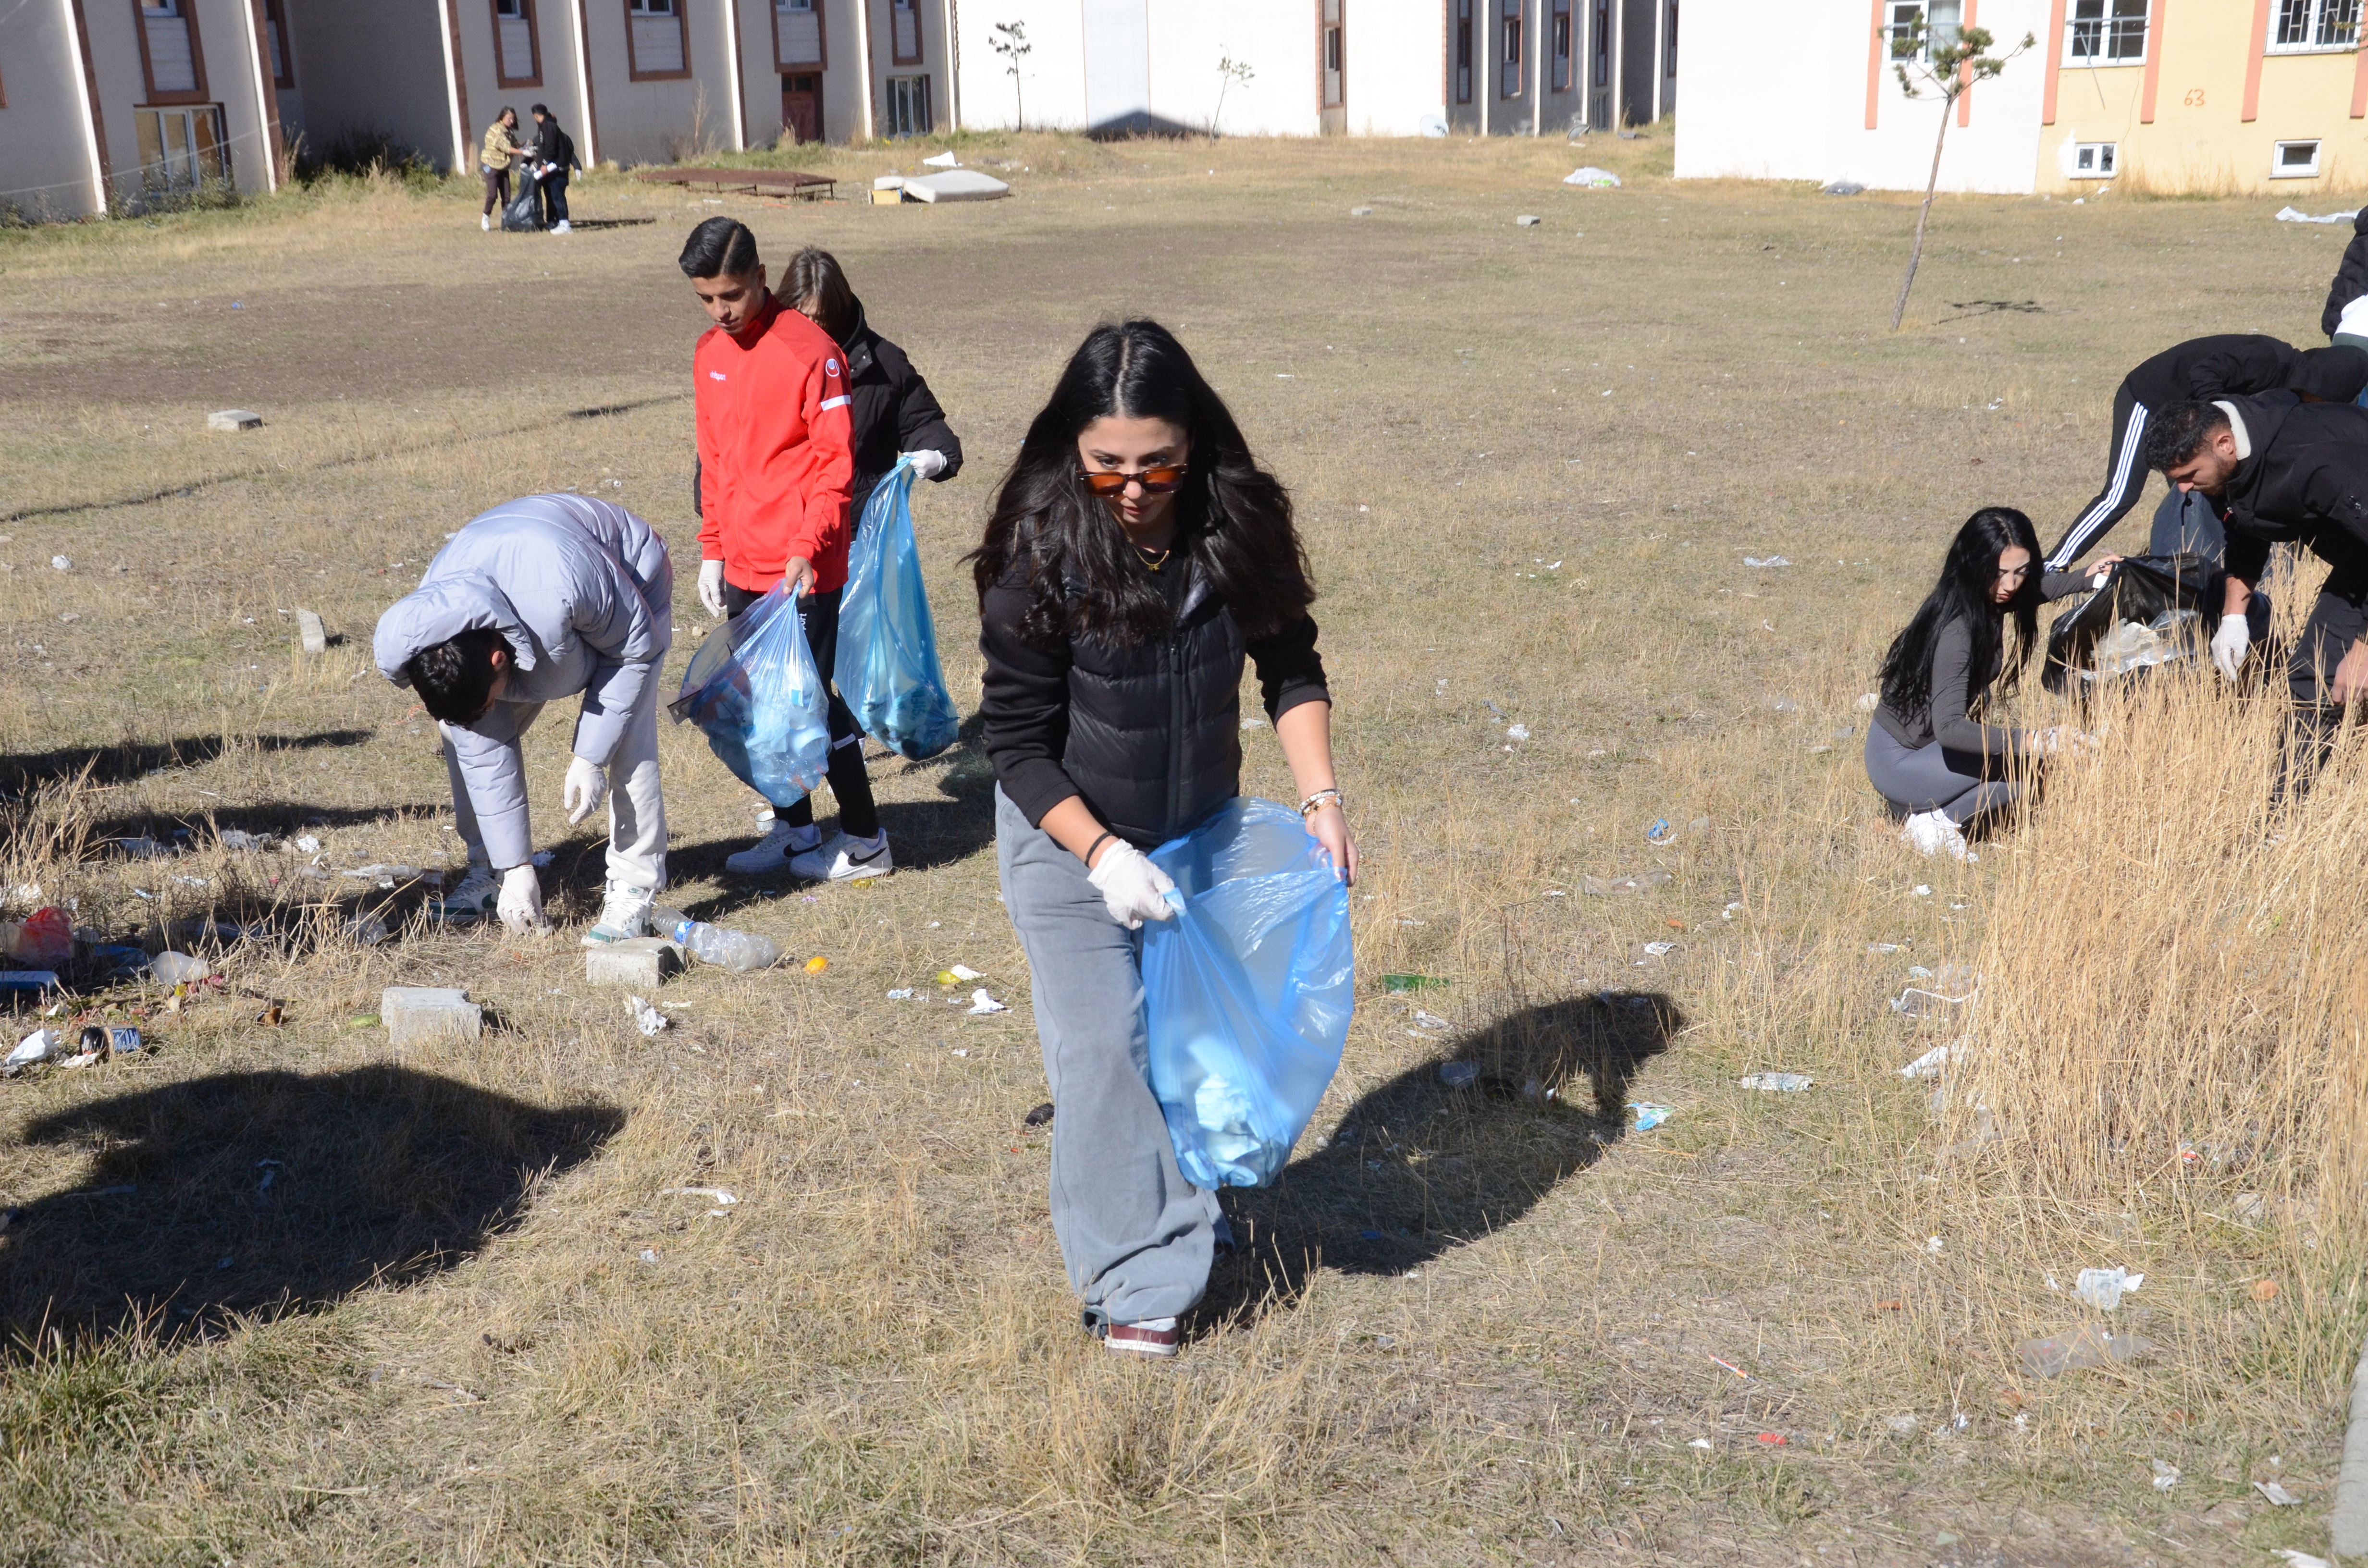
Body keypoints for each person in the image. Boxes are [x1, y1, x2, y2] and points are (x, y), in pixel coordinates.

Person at [973, 319, 1350, 1358]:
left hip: (1199, 832)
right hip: (1064, 834)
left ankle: (1174, 1212)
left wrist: (1320, 801)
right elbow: (1013, 740)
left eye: (1155, 467)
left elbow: (1289, 661)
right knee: (1102, 1046)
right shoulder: (1038, 548)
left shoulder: (1236, 526)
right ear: (1073, 452)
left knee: (1189, 1048)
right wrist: (1101, 856)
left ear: (1193, 447)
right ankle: (1136, 1281)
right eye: (1106, 469)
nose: (1131, 490)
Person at [680, 218, 886, 881]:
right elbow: (715, 462)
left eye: (732, 295)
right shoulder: (709, 355)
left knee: (810, 704)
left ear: (762, 277)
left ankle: (866, 840)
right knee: (758, 707)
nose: (722, 312)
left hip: (804, 570)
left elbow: (835, 470)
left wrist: (805, 546)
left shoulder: (812, 353)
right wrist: (713, 549)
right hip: (742, 562)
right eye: (707, 299)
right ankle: (796, 830)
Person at [372, 493, 672, 943]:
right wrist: (517, 868)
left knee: (628, 741)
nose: (491, 712)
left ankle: (634, 889)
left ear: (498, 661)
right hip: (541, 623)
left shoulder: (565, 583)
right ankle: (490, 872)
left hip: (625, 589)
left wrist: (590, 756)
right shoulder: (434, 638)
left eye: (491, 701)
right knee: (463, 737)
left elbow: (635, 650)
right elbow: (482, 749)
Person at [2146, 394, 2368, 801]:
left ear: (2225, 444)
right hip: (2360, 560)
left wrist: (2364, 649)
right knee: (2314, 674)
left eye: (2190, 474)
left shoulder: (2315, 462)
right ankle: (2284, 815)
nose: (2182, 488)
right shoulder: (2229, 466)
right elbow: (2247, 528)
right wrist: (2234, 617)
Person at [1868, 507, 2094, 860]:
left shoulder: (1981, 598)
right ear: (1975, 565)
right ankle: (1933, 824)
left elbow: (2034, 590)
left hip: (1928, 757)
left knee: (2030, 768)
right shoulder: (1958, 629)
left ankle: (1928, 810)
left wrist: (2088, 577)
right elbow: (1951, 730)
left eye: (2020, 572)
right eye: (1999, 573)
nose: (2010, 585)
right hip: (1900, 763)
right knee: (2028, 764)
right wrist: (2035, 739)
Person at [2044, 333, 2368, 572]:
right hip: (2150, 401)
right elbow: (2205, 370)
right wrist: (2213, 421)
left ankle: (2190, 575)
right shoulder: (2269, 358)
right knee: (2120, 495)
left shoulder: (2283, 397)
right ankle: (2053, 566)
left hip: (2193, 434)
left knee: (2197, 500)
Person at [527, 103, 577, 235]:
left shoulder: (548, 127)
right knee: (556, 196)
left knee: (558, 197)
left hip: (557, 168)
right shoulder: (547, 126)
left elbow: (550, 148)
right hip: (555, 167)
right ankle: (560, 222)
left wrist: (544, 164)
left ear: (536, 116)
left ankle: (565, 224)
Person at [479, 107, 525, 233]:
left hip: (503, 165)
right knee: (493, 194)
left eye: (513, 119)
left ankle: (506, 221)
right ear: (502, 117)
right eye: (509, 118)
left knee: (506, 197)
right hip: (490, 165)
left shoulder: (508, 131)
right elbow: (506, 148)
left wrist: (525, 145)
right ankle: (486, 217)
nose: (511, 121)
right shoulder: (496, 130)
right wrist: (523, 153)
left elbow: (514, 144)